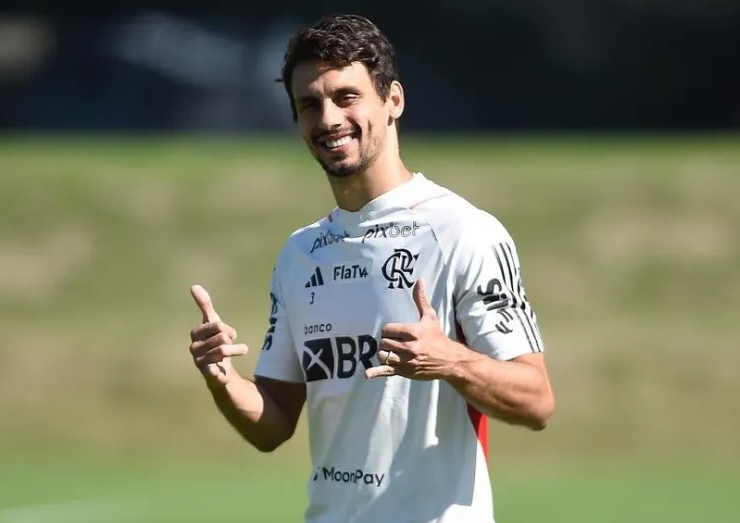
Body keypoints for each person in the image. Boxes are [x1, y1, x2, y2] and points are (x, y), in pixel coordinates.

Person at [187, 13, 555, 523]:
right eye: (309, 105)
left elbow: (536, 401)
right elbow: (273, 424)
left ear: (393, 100)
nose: (328, 119)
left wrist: (450, 360)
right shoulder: (301, 253)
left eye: (346, 97)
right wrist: (223, 379)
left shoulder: (463, 231)